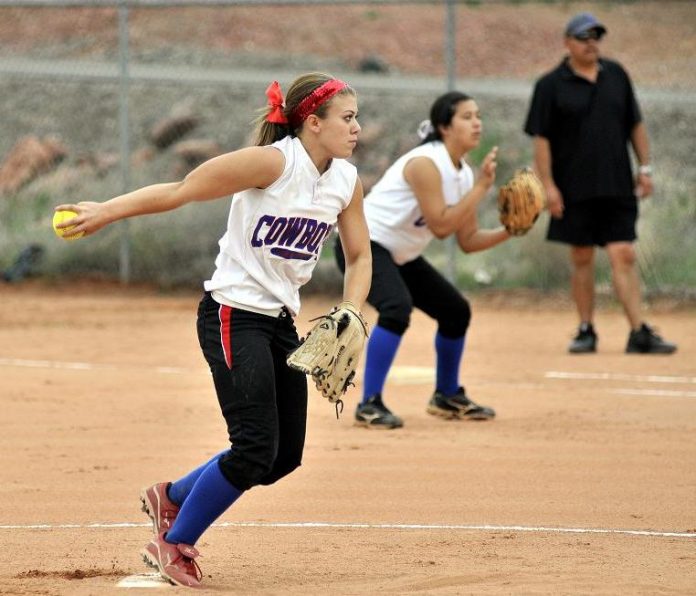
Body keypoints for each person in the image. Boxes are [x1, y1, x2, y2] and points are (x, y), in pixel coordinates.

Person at [54, 72, 371, 588]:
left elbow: (359, 256)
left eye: (356, 116)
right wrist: (106, 211)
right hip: (232, 313)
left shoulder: (344, 181)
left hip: (278, 322)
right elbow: (182, 190)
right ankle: (173, 543)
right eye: (348, 117)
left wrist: (351, 310)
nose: (357, 127)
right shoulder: (273, 163)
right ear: (312, 123)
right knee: (252, 447)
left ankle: (173, 496)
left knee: (281, 457)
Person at [335, 91, 512, 429]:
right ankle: (369, 404)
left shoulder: (463, 173)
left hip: (399, 254)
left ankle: (446, 395)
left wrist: (511, 230)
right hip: (364, 247)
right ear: (444, 126)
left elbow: (468, 241)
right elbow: (442, 226)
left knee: (455, 310)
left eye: (478, 116)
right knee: (396, 308)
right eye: (466, 116)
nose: (477, 123)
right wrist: (482, 188)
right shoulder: (425, 164)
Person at [524, 12, 677, 355]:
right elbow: (541, 140)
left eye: (596, 36)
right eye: (583, 37)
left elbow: (634, 124)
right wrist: (548, 186)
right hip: (572, 186)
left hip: (617, 184)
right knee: (581, 256)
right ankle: (586, 328)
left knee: (623, 253)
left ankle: (638, 331)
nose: (591, 42)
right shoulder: (549, 86)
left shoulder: (617, 75)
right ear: (567, 43)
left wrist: (645, 168)